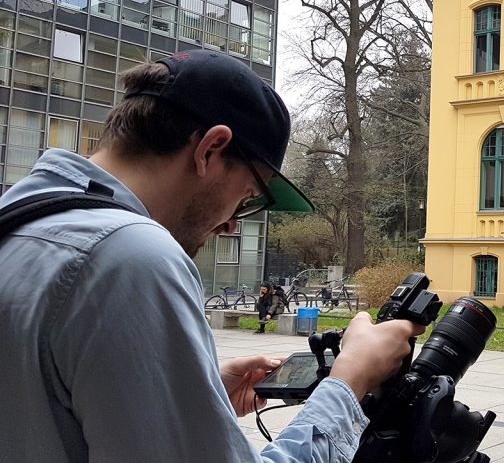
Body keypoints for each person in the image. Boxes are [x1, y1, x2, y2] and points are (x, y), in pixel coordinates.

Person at [0, 50, 423, 462]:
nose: (231, 225)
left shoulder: (21, 222)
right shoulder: (129, 258)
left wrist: (191, 395)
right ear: (210, 149)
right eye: (247, 197)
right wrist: (349, 382)